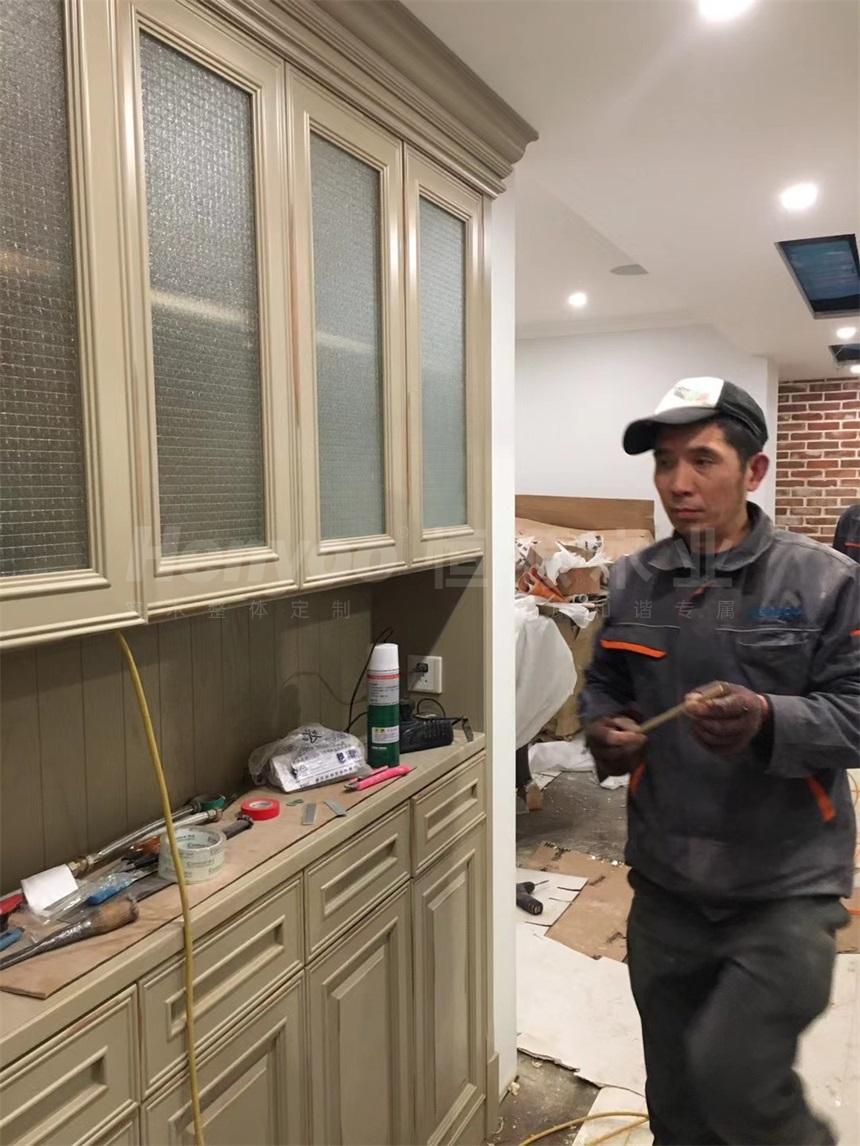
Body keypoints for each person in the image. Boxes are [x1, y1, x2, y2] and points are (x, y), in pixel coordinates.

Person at [579, 377, 859, 1146]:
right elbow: (606, 681)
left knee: (737, 1082)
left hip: (784, 886)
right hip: (667, 882)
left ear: (754, 470)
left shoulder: (822, 582)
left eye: (702, 459)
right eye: (665, 462)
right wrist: (602, 725)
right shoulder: (637, 582)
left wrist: (769, 718)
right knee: (675, 1100)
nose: (678, 482)